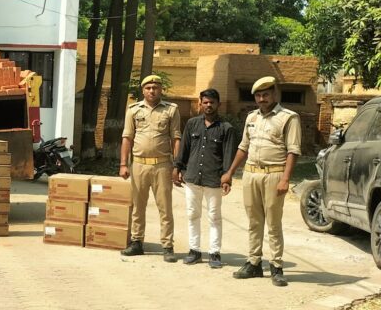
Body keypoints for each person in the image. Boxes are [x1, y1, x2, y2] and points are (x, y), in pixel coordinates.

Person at [220, 76, 301, 287]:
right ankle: (254, 262)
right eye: (258, 95)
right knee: (254, 222)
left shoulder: (288, 118)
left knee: (273, 223)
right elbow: (243, 147)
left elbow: (293, 151)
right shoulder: (251, 117)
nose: (262, 99)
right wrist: (230, 172)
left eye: (266, 94)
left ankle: (276, 266)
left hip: (274, 174)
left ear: (274, 94)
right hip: (251, 174)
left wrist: (285, 179)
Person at [173, 89, 237, 269]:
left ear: (218, 104)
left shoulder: (226, 128)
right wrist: (177, 167)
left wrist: (227, 178)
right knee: (192, 214)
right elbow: (184, 148)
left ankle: (214, 253)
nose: (209, 105)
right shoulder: (192, 124)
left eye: (212, 102)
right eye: (205, 102)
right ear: (200, 104)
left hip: (214, 179)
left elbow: (228, 155)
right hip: (192, 178)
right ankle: (194, 250)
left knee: (214, 217)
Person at [120, 74, 182, 261]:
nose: (152, 91)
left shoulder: (171, 110)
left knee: (165, 208)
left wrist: (177, 166)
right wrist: (123, 164)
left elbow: (176, 138)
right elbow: (127, 138)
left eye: (155, 87)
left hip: (162, 165)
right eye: (148, 88)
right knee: (137, 206)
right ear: (143, 90)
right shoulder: (133, 110)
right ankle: (136, 242)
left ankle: (167, 246)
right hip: (139, 164)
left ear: (161, 89)